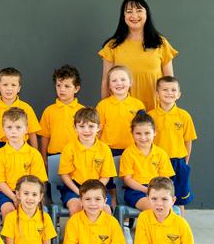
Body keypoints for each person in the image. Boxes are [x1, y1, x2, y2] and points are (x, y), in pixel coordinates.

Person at [99, 0, 178, 110]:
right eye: (129, 11)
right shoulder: (112, 46)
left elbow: (169, 81)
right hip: (122, 112)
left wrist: (170, 111)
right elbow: (106, 80)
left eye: (139, 10)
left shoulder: (161, 43)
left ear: (147, 14)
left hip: (155, 111)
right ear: (123, 16)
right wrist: (104, 111)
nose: (134, 15)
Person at [96, 65, 145, 205]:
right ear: (109, 85)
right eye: (114, 80)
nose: (119, 83)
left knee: (128, 185)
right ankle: (111, 214)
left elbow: (142, 128)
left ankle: (126, 219)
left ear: (130, 82)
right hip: (108, 152)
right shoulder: (103, 105)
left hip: (131, 152)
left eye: (123, 79)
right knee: (110, 186)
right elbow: (98, 132)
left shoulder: (138, 105)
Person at [148, 76, 197, 215]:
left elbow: (188, 140)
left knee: (179, 197)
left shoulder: (184, 116)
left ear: (179, 94)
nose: (169, 93)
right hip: (157, 162)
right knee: (158, 195)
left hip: (178, 162)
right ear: (157, 94)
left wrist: (185, 163)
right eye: (165, 89)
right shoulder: (151, 116)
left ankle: (180, 225)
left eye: (173, 90)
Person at [0, 107, 47, 217]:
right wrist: (14, 197)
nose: (13, 131)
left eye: (18, 127)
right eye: (9, 127)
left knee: (32, 210)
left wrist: (25, 196)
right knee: (9, 211)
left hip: (28, 193)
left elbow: (38, 182)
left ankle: (30, 234)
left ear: (26, 129)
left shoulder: (34, 154)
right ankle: (10, 235)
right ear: (3, 129)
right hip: (3, 194)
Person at [58, 107, 117, 215]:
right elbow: (64, 175)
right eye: (81, 126)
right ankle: (77, 232)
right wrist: (80, 192)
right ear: (75, 127)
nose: (86, 130)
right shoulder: (69, 148)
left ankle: (102, 232)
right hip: (74, 189)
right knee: (76, 208)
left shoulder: (104, 149)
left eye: (91, 126)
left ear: (99, 127)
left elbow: (106, 176)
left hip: (97, 188)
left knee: (105, 210)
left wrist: (94, 191)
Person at [120, 112, 174, 212]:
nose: (143, 137)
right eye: (138, 133)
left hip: (158, 190)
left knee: (166, 206)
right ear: (132, 133)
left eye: (147, 133)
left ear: (155, 132)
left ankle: (162, 227)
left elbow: (165, 179)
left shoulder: (161, 153)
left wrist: (156, 191)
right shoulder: (128, 153)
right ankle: (147, 227)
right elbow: (127, 179)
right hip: (135, 191)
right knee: (152, 206)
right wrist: (146, 190)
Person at [0, 67, 40, 156]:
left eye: (13, 85)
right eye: (5, 85)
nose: (9, 88)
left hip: (21, 147)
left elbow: (32, 134)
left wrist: (36, 155)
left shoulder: (26, 108)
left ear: (19, 88)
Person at [38, 65, 84, 164]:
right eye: (59, 85)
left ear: (76, 89)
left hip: (78, 155)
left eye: (67, 86)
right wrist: (44, 157)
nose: (62, 89)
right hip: (54, 156)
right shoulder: (49, 110)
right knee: (55, 180)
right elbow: (45, 136)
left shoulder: (83, 111)